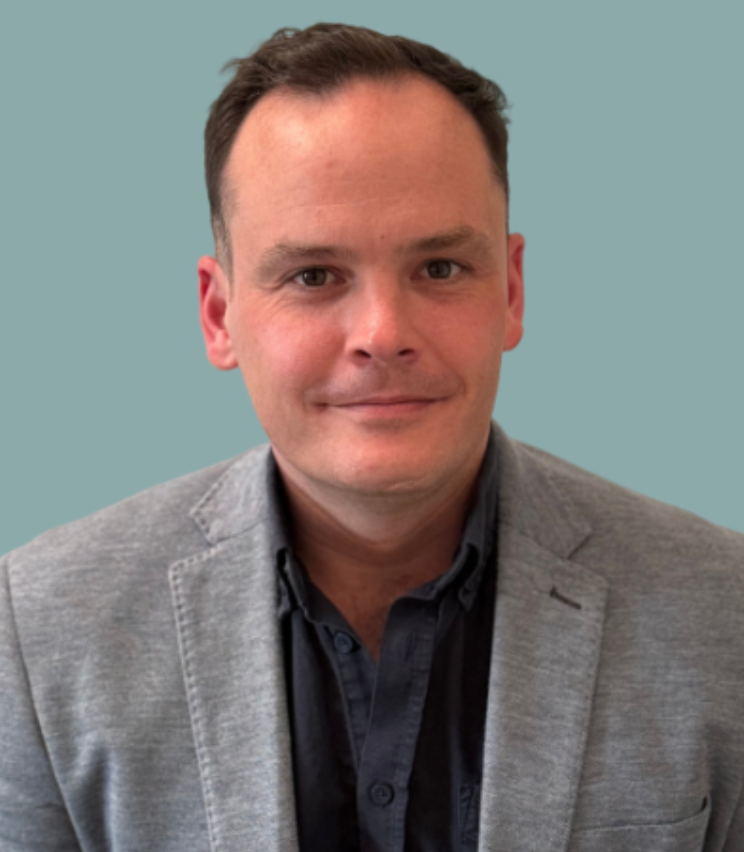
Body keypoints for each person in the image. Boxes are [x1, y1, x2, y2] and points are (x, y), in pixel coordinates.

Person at [1, 22, 742, 852]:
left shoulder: (726, 613)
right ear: (220, 316)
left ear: (511, 290)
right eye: (314, 276)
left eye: (440, 268)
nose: (383, 332)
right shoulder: (38, 631)